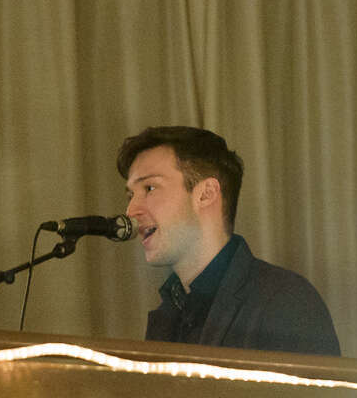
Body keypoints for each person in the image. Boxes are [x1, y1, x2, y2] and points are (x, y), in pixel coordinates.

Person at [118, 126, 341, 356]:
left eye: (149, 188)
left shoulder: (287, 301)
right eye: (130, 196)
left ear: (206, 194)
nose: (131, 211)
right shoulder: (169, 310)